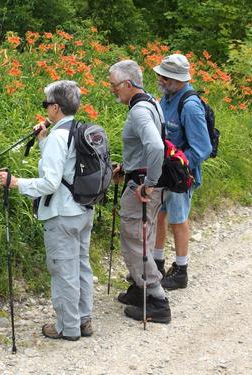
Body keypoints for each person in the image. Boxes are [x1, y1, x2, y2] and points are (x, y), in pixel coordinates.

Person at [0, 80, 94, 341]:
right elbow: (65, 168)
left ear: (55, 108)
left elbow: (51, 182)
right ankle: (84, 320)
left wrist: (17, 183)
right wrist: (42, 140)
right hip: (83, 212)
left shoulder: (58, 138)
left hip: (61, 215)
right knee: (81, 266)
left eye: (46, 105)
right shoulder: (80, 131)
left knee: (63, 271)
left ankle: (68, 327)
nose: (46, 110)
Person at [109, 60, 171, 323]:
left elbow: (155, 147)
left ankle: (157, 300)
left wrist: (149, 182)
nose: (112, 90)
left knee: (135, 240)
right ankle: (139, 288)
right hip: (144, 180)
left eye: (114, 86)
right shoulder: (152, 102)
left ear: (127, 84)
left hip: (143, 189)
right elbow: (148, 146)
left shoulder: (139, 111)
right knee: (145, 234)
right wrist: (128, 166)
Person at [152, 54, 212, 290]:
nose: (159, 79)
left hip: (180, 174)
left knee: (178, 218)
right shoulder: (166, 99)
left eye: (163, 77)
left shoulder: (190, 105)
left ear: (175, 80)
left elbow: (203, 148)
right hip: (165, 170)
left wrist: (180, 164)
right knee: (160, 214)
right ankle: (156, 264)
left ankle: (180, 271)